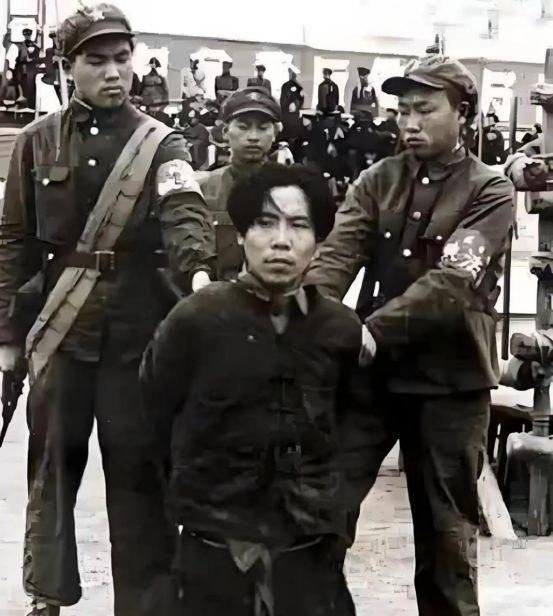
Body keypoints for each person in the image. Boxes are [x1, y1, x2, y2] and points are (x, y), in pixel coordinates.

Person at [0, 4, 214, 616]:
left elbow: (184, 211)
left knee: (140, 478)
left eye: (122, 58)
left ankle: (145, 606)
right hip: (60, 332)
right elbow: (13, 240)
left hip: (136, 337)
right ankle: (46, 594)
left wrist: (200, 274)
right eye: (97, 61)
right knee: (51, 470)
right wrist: (7, 334)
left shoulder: (161, 142)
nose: (114, 72)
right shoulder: (36, 141)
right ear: (68, 67)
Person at [306, 55, 514, 616]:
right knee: (319, 516)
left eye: (425, 109)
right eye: (402, 111)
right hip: (371, 379)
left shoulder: (490, 190)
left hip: (451, 383)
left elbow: (452, 283)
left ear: (463, 113)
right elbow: (336, 256)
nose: (409, 122)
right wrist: (312, 317)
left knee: (448, 541)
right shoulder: (379, 179)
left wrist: (370, 332)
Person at [140, 163, 377, 616]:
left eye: (299, 226)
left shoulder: (340, 329)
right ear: (242, 234)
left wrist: (333, 504)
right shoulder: (196, 319)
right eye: (265, 223)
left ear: (318, 241)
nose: (280, 241)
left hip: (309, 550)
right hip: (213, 547)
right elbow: (155, 410)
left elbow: (359, 425)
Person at [196, 86, 282, 280]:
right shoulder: (203, 190)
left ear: (275, 133)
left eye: (263, 128)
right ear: (226, 132)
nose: (253, 137)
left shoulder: (290, 191)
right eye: (243, 127)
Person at [280, 66, 304, 151]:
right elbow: (283, 101)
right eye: (290, 72)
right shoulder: (286, 85)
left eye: (293, 72)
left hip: (292, 117)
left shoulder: (298, 87)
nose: (292, 74)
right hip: (287, 117)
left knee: (292, 137)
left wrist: (296, 105)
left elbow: (300, 100)